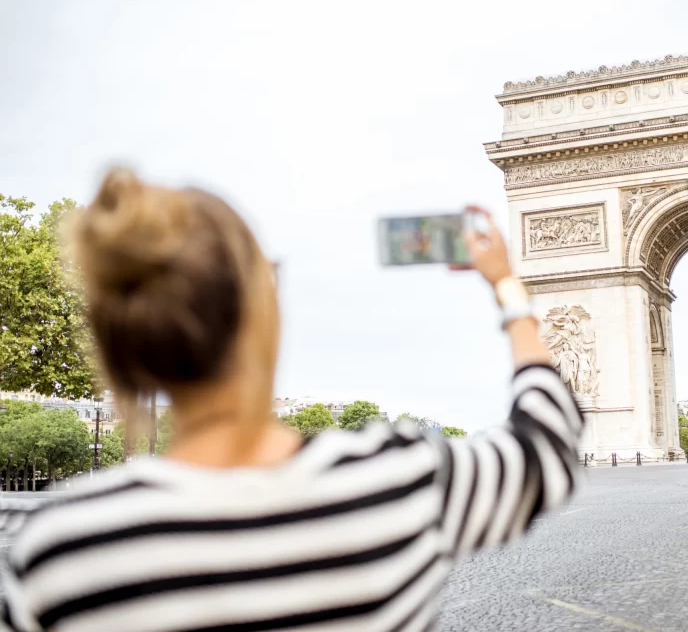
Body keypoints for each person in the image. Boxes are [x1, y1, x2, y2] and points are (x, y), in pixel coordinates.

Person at [0, 169, 582, 632]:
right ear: (264, 313)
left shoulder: (56, 551)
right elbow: (549, 446)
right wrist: (508, 287)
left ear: (120, 351)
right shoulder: (397, 480)